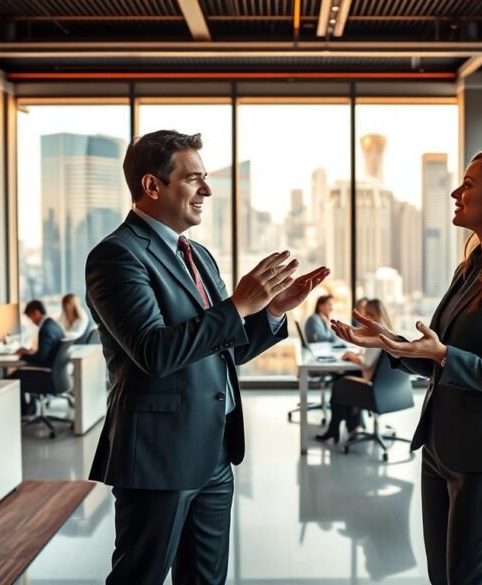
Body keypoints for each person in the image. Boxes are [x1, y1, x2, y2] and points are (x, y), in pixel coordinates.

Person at [85, 130, 329, 585]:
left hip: (215, 453)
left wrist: (272, 310)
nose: (207, 190)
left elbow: (225, 351)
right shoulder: (117, 257)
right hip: (159, 457)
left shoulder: (198, 254)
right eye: (193, 179)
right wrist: (237, 305)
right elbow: (154, 352)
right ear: (152, 186)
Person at [332, 150, 482, 584]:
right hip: (442, 449)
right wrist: (393, 345)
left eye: (468, 184)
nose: (456, 193)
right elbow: (445, 357)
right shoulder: (473, 267)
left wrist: (443, 355)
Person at [315, 299, 393, 443]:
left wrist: (352, 356)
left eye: (367, 314)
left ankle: (338, 428)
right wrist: (359, 354)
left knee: (339, 383)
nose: (365, 317)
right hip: (388, 388)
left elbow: (367, 363)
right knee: (344, 378)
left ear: (373, 314)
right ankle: (353, 425)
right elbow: (373, 358)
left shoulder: (377, 335)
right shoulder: (388, 331)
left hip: (373, 388)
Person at [16, 300, 63, 366]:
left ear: (36, 313)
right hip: (54, 369)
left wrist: (23, 355)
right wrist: (31, 352)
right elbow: (45, 352)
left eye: (31, 318)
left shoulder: (45, 329)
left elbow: (40, 358)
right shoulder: (52, 324)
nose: (32, 322)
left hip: (46, 371)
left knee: (10, 376)